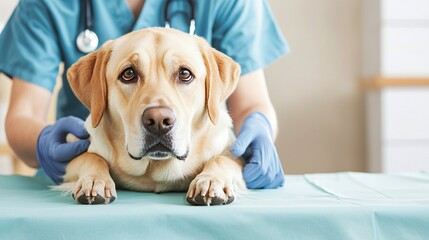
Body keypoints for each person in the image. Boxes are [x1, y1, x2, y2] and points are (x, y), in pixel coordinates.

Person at [0, 0, 288, 188]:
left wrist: (260, 127)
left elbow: (251, 103)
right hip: (83, 176)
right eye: (129, 74)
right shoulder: (44, 4)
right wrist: (45, 142)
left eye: (184, 74)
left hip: (198, 180)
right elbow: (22, 115)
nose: (158, 114)